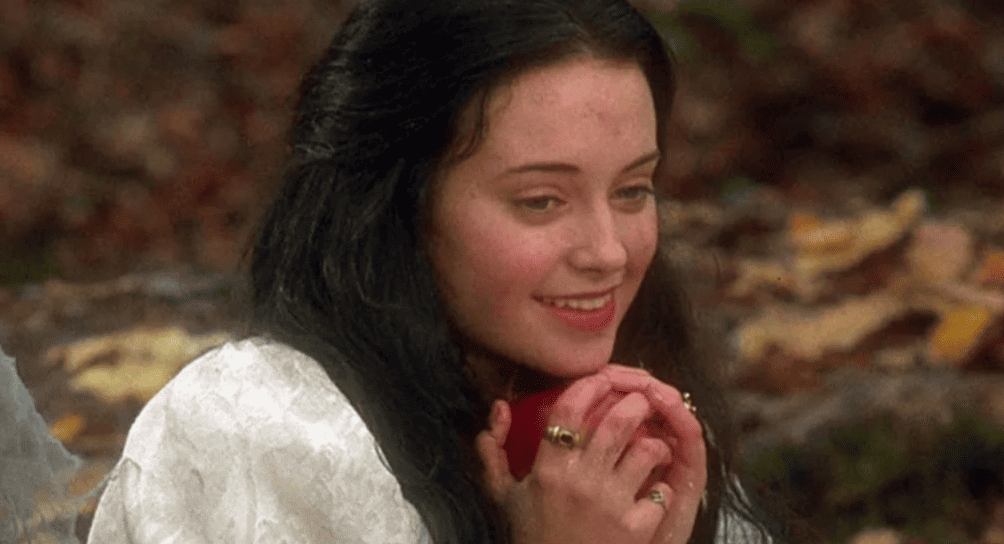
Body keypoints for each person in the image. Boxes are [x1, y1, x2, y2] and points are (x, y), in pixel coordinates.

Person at [87, 0, 781, 542]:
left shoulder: (630, 423)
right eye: (541, 201)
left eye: (632, 190)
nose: (609, 251)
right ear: (401, 205)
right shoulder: (257, 434)